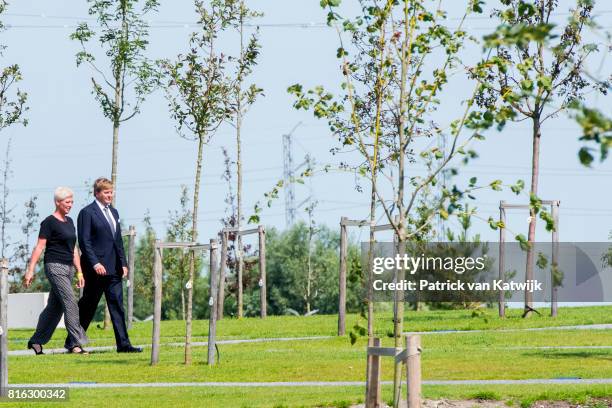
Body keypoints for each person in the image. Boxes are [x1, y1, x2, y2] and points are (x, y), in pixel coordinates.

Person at [73, 177, 141, 353]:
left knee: (117, 305)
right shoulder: (87, 213)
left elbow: (117, 241)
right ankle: (73, 341)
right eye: (106, 192)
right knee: (89, 305)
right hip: (95, 269)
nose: (109, 195)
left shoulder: (114, 213)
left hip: (114, 268)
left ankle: (124, 345)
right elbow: (84, 241)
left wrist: (123, 263)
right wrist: (95, 263)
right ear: (97, 193)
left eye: (111, 191)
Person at [23, 187, 89, 355]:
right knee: (71, 303)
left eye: (72, 202)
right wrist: (30, 270)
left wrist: (80, 271)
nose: (70, 205)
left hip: (68, 268)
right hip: (54, 266)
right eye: (67, 202)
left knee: (54, 308)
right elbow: (39, 247)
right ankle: (75, 344)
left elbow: (73, 248)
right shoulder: (48, 222)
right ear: (57, 202)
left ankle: (36, 341)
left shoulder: (70, 222)